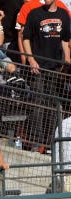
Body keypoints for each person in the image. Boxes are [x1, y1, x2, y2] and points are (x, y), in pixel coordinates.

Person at [22, 0, 71, 151]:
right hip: (38, 67)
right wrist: (30, 59)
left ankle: (51, 142)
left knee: (53, 105)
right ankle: (36, 142)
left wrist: (67, 59)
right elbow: (26, 38)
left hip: (55, 67)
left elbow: (65, 39)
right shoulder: (35, 14)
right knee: (38, 104)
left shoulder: (63, 14)